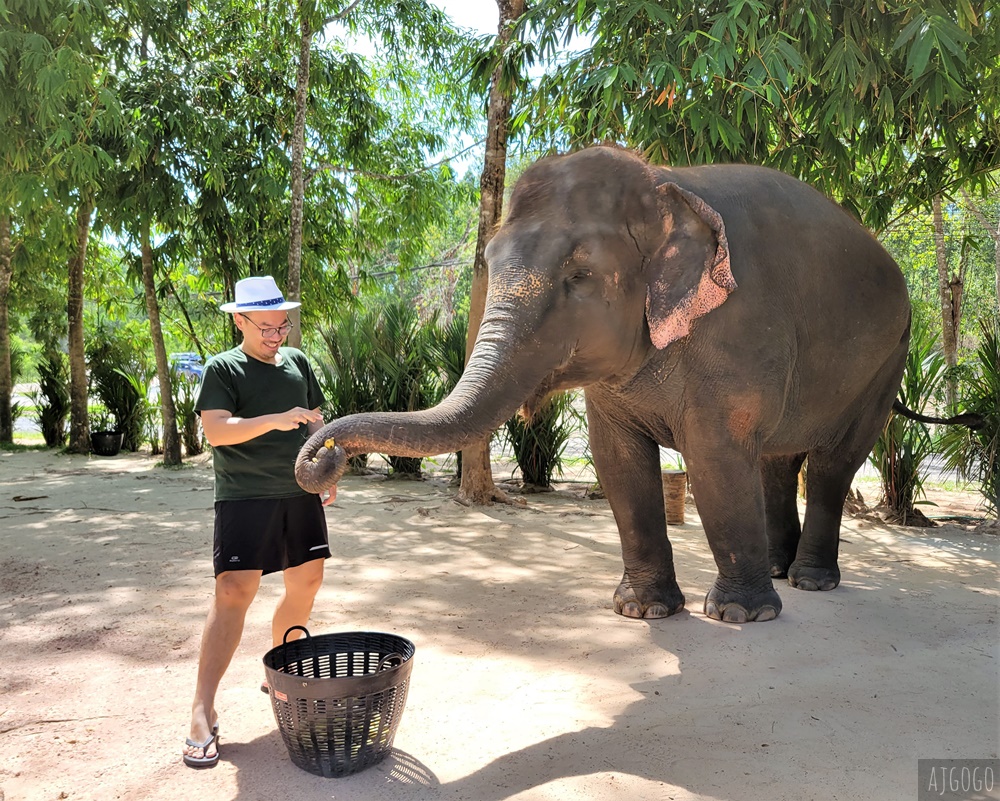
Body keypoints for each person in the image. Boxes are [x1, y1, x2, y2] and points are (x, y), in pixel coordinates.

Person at [182, 275, 335, 768]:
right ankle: (201, 710)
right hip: (244, 495)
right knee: (233, 592)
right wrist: (275, 418)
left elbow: (316, 421)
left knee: (307, 582)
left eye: (282, 325)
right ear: (239, 320)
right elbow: (217, 431)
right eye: (266, 327)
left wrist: (327, 465)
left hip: (299, 491)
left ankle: (281, 672)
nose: (277, 336)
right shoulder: (222, 368)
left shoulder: (298, 363)